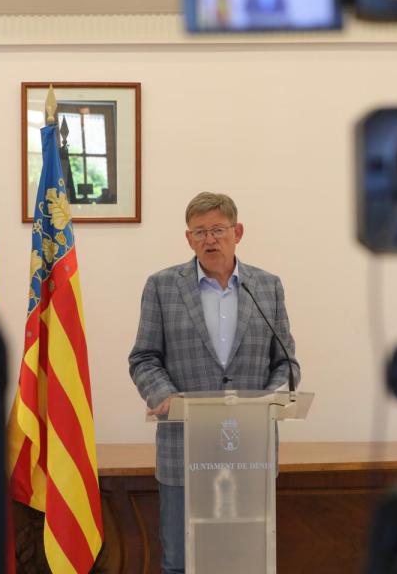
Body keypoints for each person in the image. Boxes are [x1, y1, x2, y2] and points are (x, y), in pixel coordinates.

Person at [128, 192, 300, 574]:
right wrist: (164, 396)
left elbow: (286, 362)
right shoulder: (162, 287)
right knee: (179, 561)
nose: (209, 239)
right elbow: (143, 357)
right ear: (188, 239)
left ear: (237, 232)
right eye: (199, 232)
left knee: (247, 559)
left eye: (218, 230)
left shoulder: (267, 287)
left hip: (250, 452)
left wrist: (272, 398)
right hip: (183, 449)